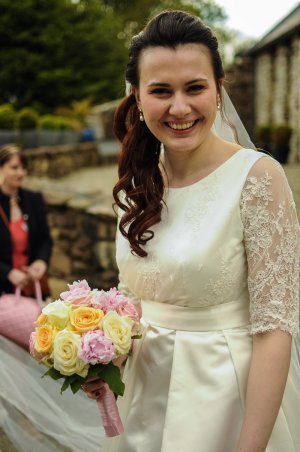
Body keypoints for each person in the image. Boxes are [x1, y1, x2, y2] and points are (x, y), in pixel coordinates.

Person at [84, 10, 300, 452]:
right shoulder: (136, 182)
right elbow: (133, 299)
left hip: (225, 399)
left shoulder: (258, 177)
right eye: (161, 91)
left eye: (195, 88)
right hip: (141, 399)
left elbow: (275, 327)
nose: (179, 107)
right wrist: (109, 356)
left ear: (218, 90)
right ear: (138, 98)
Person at [0, 144, 52, 298]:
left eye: (23, 168)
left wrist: (41, 262)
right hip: (3, 289)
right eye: (14, 167)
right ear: (1, 168)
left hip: (30, 287)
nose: (21, 173)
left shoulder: (33, 199)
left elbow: (45, 239)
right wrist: (7, 273)